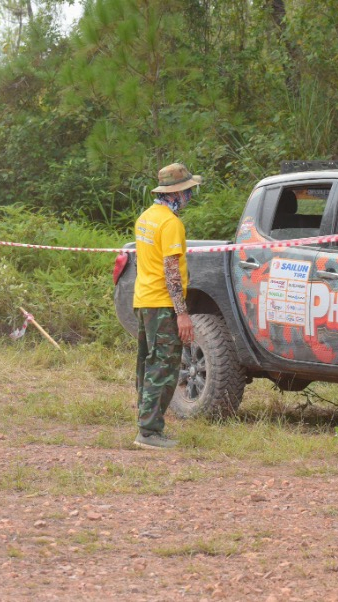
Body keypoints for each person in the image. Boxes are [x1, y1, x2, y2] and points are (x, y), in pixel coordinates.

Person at [132, 163, 201, 449]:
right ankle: (149, 432)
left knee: (148, 365)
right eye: (187, 191)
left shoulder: (146, 217)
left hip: (145, 299)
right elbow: (171, 269)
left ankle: (147, 424)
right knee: (164, 367)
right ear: (178, 193)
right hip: (162, 303)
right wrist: (182, 313)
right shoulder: (171, 224)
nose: (190, 196)